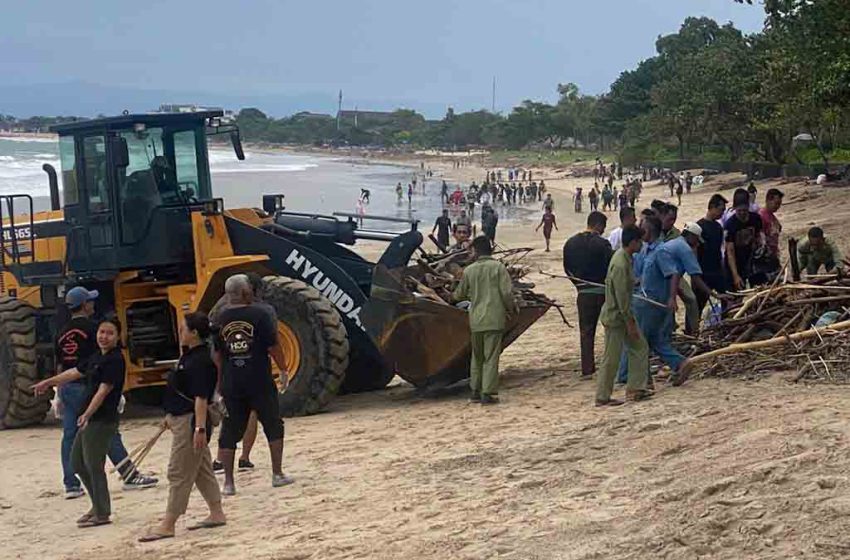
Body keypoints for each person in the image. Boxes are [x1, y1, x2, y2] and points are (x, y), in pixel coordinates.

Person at [51, 287, 157, 499]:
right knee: (106, 429)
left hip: (67, 387)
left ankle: (71, 484)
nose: (92, 304)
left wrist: (59, 393)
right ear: (84, 305)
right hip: (87, 386)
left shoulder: (61, 332)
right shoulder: (94, 329)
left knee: (70, 435)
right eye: (90, 301)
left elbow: (60, 365)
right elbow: (100, 360)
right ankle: (129, 474)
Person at [33, 316, 128, 527]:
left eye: (109, 333)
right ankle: (97, 505)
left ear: (118, 336)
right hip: (89, 419)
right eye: (102, 332)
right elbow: (74, 372)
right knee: (77, 462)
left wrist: (87, 413)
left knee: (94, 464)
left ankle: (102, 512)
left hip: (102, 419)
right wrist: (49, 382)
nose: (104, 337)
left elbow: (104, 391)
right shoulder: (95, 357)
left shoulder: (115, 359)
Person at [139, 312, 226, 542]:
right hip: (182, 418)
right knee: (201, 469)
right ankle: (217, 512)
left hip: (191, 421)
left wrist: (199, 429)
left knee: (179, 471)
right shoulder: (191, 356)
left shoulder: (200, 361)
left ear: (194, 333)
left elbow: (200, 399)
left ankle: (168, 523)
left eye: (183, 330)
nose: (180, 334)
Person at [215, 274, 293, 495]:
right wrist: (284, 368)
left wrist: (219, 382)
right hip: (259, 378)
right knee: (273, 424)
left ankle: (229, 483)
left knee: (229, 429)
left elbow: (218, 354)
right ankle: (277, 474)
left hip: (232, 381)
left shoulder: (219, 317)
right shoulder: (260, 313)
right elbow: (273, 345)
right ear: (245, 292)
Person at [452, 236, 518, 404]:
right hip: (494, 318)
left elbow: (458, 295)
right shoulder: (498, 268)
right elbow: (506, 293)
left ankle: (475, 390)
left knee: (477, 356)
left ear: (476, 251)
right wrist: (511, 309)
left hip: (476, 320)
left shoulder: (469, 270)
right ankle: (488, 393)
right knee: (491, 357)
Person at [632, 219, 694, 387]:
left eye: (642, 229)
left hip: (653, 304)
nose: (639, 231)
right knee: (655, 341)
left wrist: (671, 298)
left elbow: (673, 274)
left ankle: (644, 382)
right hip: (646, 300)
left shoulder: (660, 251)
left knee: (641, 341)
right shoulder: (646, 250)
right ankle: (680, 363)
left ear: (649, 231)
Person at [597, 225, 651, 406]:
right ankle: (602, 397)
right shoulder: (620, 262)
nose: (642, 245)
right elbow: (621, 298)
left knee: (640, 347)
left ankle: (636, 389)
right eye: (640, 241)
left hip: (622, 315)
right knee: (611, 358)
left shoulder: (625, 258)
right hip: (617, 317)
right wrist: (630, 323)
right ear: (633, 242)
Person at [563, 212, 613, 379]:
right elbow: (611, 268)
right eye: (603, 227)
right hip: (603, 291)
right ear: (598, 225)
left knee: (586, 332)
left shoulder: (570, 244)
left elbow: (567, 270)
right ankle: (611, 363)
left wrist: (578, 285)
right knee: (611, 328)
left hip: (583, 292)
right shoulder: (603, 244)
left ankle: (587, 369)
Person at [725, 188, 765, 290]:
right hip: (736, 262)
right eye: (739, 211)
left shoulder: (755, 219)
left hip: (752, 260)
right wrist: (735, 276)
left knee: (760, 289)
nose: (742, 213)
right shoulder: (730, 225)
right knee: (736, 294)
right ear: (734, 208)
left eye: (745, 210)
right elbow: (730, 251)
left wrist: (761, 243)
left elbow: (759, 235)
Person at [696, 194, 729, 315]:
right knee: (697, 307)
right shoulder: (699, 227)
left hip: (717, 271)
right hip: (703, 273)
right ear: (712, 207)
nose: (722, 214)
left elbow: (719, 250)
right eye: (721, 210)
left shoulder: (718, 227)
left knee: (727, 300)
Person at [756, 188, 784, 281]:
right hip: (765, 259)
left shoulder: (772, 217)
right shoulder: (761, 217)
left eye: (779, 204)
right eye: (776, 203)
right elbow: (760, 239)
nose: (777, 206)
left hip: (773, 256)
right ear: (768, 200)